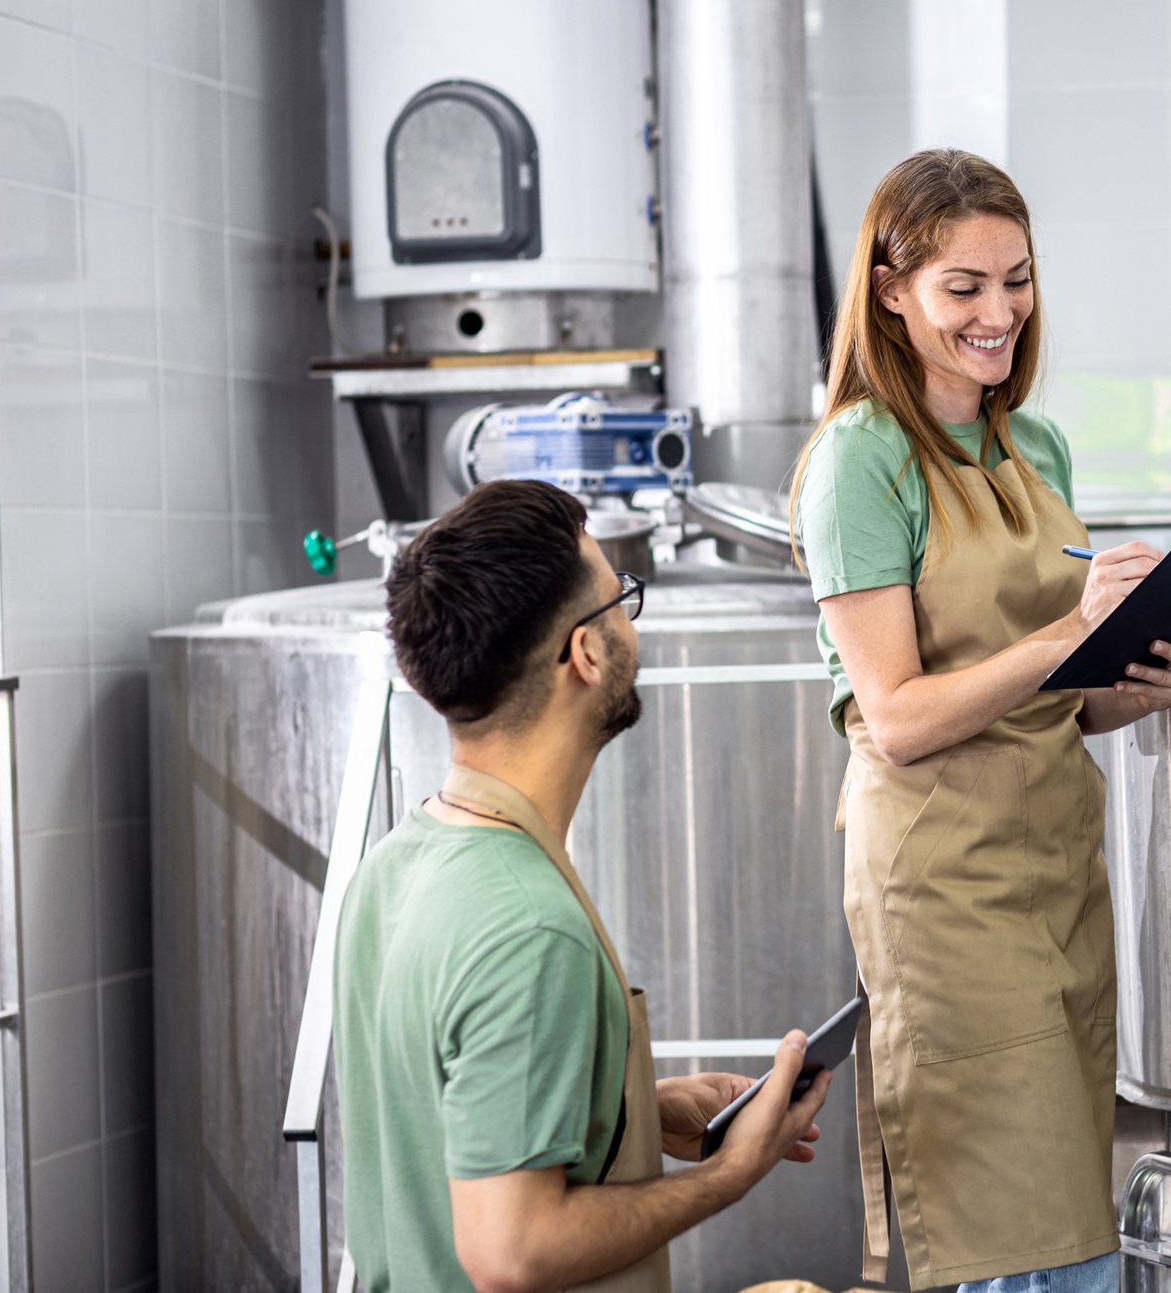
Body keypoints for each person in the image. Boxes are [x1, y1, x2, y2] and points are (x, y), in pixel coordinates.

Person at [793, 149, 1171, 1293]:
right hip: (948, 898)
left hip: (1056, 878)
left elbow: (1056, 701)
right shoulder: (858, 463)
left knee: (1073, 1230)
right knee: (1015, 1248)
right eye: (961, 288)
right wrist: (1064, 637)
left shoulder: (1037, 448)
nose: (999, 314)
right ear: (890, 291)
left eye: (1015, 279)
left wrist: (1142, 678)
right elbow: (899, 715)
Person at [334, 479, 830, 1293]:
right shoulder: (529, 928)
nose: (629, 622)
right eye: (619, 600)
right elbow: (512, 1250)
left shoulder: (396, 865)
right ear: (585, 653)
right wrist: (728, 1174)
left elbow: (443, 1127)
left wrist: (636, 1110)